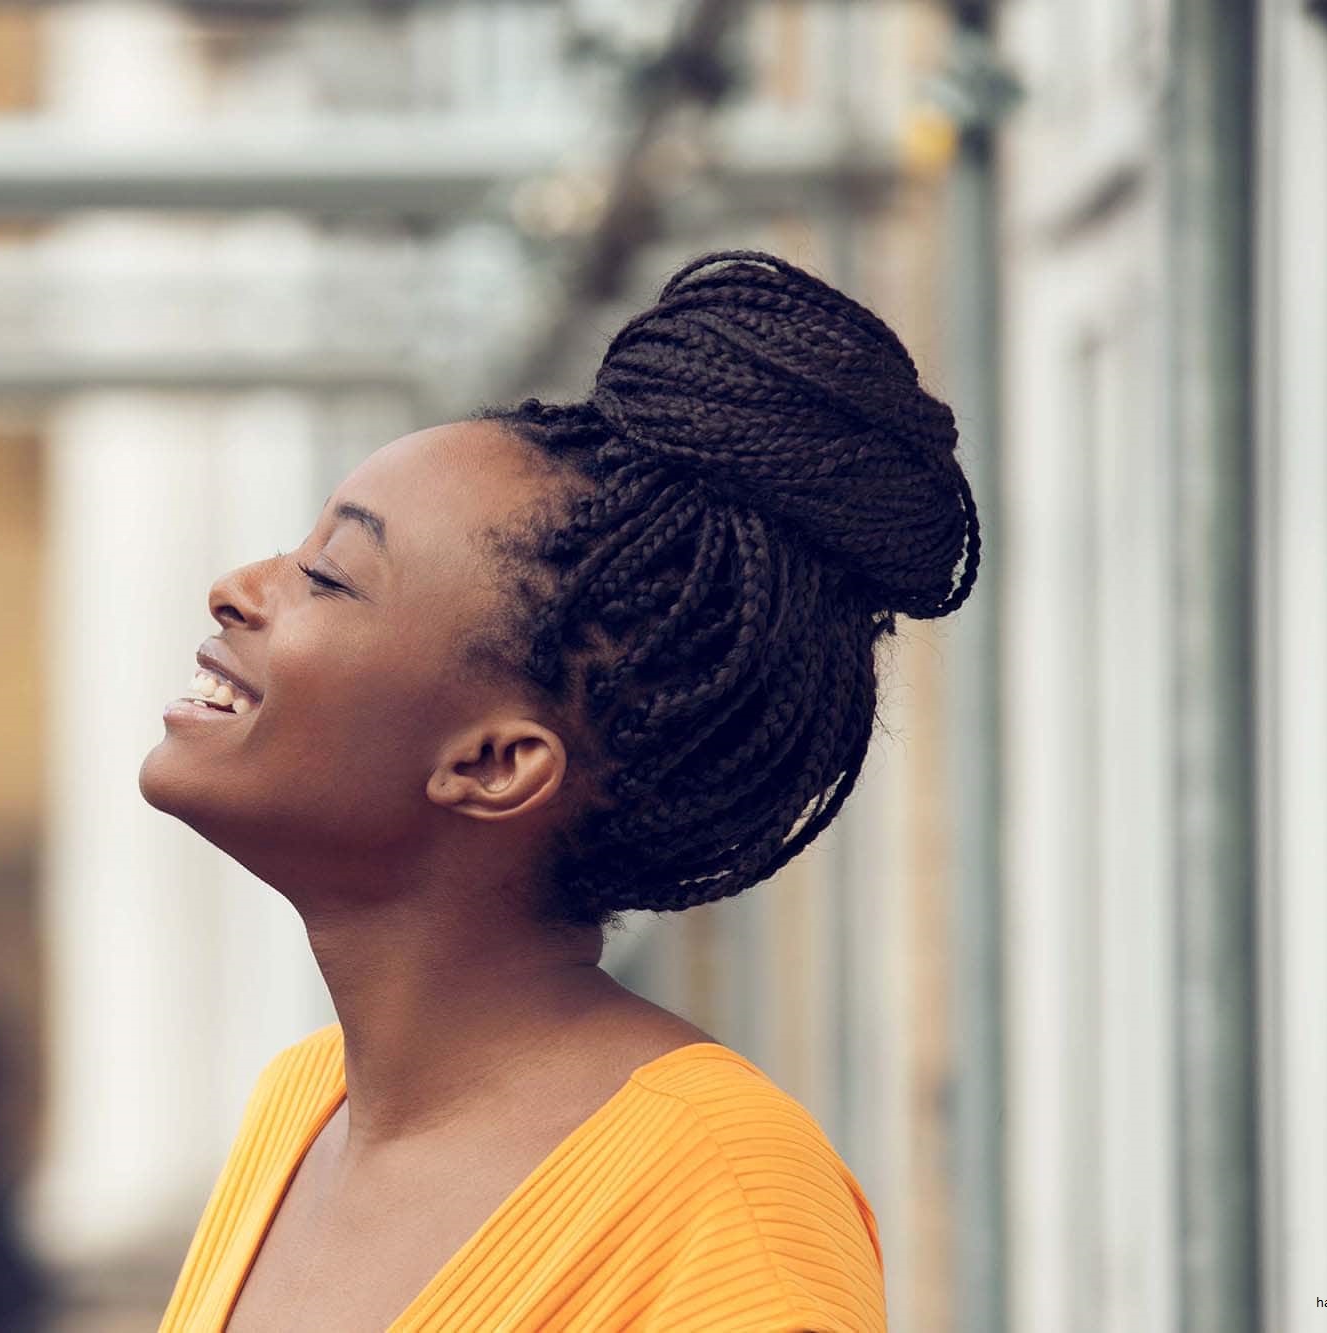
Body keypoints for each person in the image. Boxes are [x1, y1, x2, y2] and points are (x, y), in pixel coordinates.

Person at [140, 250, 980, 1332]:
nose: (236, 589)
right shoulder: (300, 1108)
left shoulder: (718, 1196)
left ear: (494, 765)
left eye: (330, 576)